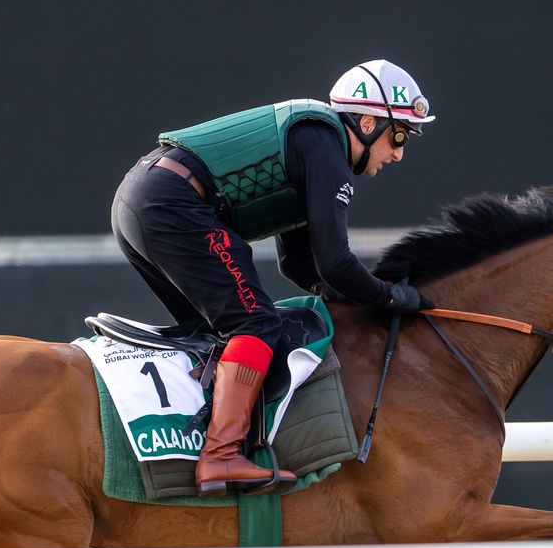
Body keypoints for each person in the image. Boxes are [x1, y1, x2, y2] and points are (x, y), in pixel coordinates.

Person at [111, 60, 433, 496]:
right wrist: (389, 297)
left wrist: (353, 298)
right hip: (171, 201)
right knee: (256, 324)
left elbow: (299, 265)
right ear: (368, 120)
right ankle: (221, 456)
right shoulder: (327, 149)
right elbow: (336, 264)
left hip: (145, 195)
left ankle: (195, 444)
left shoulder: (314, 144)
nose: (398, 153)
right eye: (399, 135)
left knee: (219, 336)